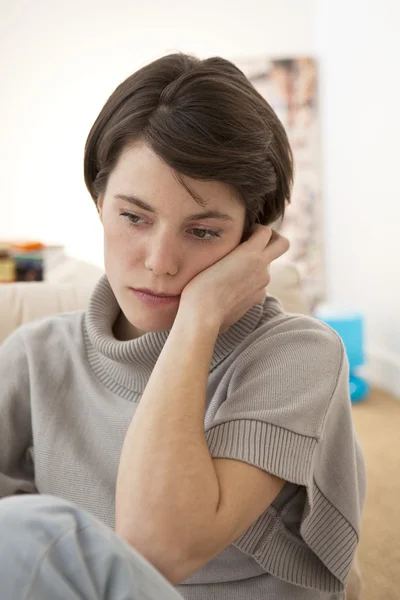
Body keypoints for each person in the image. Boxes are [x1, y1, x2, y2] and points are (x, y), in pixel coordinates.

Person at [0, 53, 365, 600]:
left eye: (202, 232)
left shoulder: (298, 356)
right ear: (99, 203)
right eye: (133, 217)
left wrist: (198, 318)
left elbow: (155, 549)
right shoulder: (36, 354)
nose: (159, 261)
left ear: (252, 240)